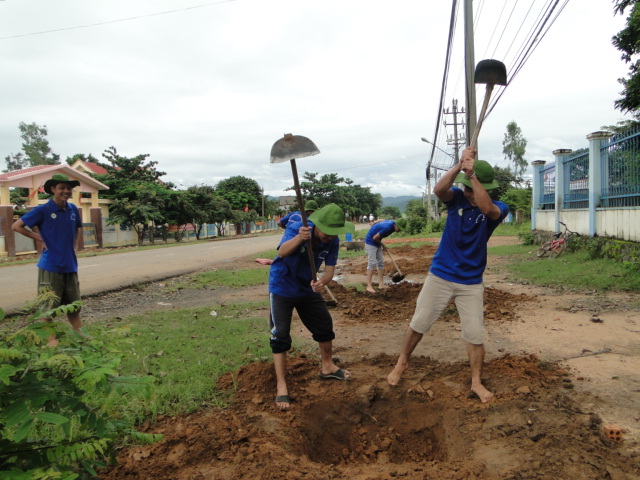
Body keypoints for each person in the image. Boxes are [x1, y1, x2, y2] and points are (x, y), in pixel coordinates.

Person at [387, 147, 509, 403]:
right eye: (466, 189)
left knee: (474, 334)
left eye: (473, 189)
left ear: (485, 187)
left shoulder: (499, 208)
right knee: (418, 323)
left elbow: (487, 209)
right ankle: (402, 362)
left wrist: (472, 176)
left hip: (471, 281)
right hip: (440, 275)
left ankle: (476, 382)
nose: (469, 195)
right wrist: (458, 166)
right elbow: (438, 190)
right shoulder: (456, 199)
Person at [268, 203, 355, 411]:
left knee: (324, 326)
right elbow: (281, 253)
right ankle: (282, 385)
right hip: (282, 286)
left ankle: (327, 366)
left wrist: (322, 282)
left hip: (308, 288)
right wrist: (300, 238)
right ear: (318, 224)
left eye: (335, 233)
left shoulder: (333, 241)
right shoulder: (298, 227)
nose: (330, 237)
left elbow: (329, 271)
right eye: (328, 232)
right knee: (280, 335)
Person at [12, 173, 85, 345]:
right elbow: (16, 226)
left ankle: (80, 334)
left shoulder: (73, 209)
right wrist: (40, 239)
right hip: (51, 265)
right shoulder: (43, 210)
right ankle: (50, 340)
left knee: (74, 304)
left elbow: (77, 229)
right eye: (62, 188)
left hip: (70, 264)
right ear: (53, 189)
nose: (66, 191)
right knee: (48, 305)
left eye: (69, 188)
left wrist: (74, 247)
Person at [364, 218, 405, 293]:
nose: (399, 230)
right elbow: (375, 237)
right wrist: (383, 246)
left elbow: (382, 220)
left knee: (381, 263)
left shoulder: (391, 223)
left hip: (376, 242)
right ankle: (369, 286)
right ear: (395, 224)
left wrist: (374, 223)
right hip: (370, 242)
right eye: (399, 228)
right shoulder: (388, 228)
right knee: (372, 263)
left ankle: (381, 284)